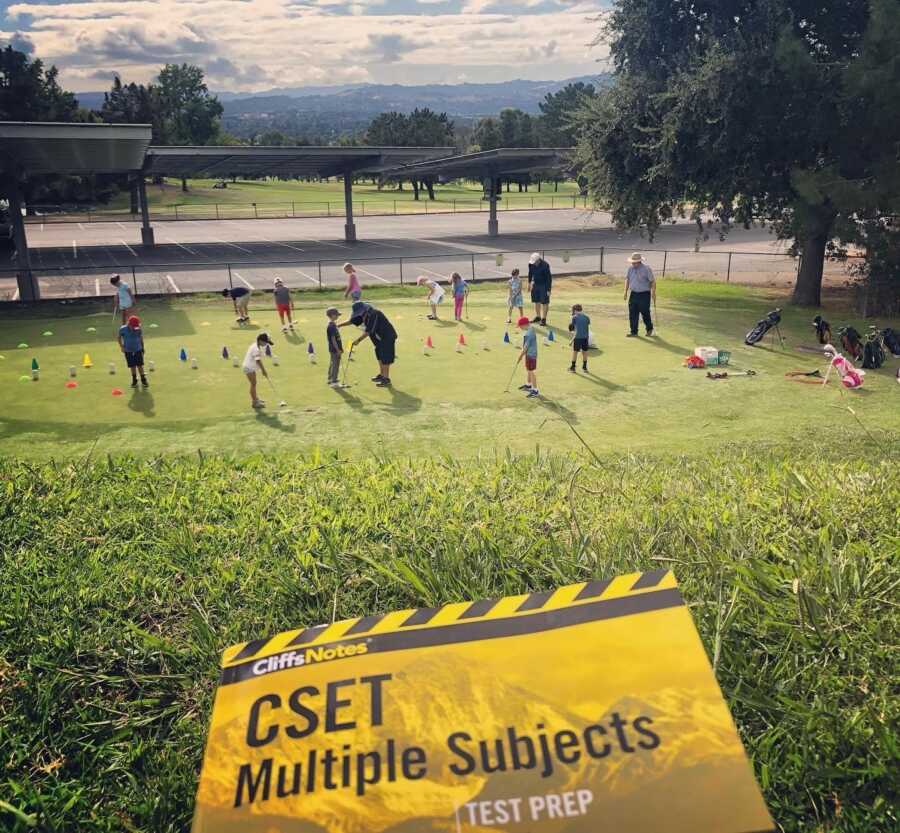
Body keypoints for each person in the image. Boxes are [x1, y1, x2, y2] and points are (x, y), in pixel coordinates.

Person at [343, 301, 397, 387]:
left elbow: (369, 331)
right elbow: (351, 321)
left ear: (364, 309)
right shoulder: (362, 314)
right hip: (378, 339)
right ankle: (381, 375)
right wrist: (338, 325)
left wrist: (358, 340)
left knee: (385, 358)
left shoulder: (374, 314)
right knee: (379, 355)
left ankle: (386, 379)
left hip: (387, 337)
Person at [624, 252, 655, 337]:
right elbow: (627, 280)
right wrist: (625, 292)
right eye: (632, 262)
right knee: (632, 313)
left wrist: (653, 292)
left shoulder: (646, 269)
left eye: (634, 262)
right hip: (633, 293)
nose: (632, 263)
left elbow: (652, 281)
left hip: (644, 294)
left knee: (645, 312)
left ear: (639, 262)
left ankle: (649, 328)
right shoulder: (630, 269)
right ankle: (634, 332)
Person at [241, 332, 274, 409]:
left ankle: (256, 399)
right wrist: (263, 371)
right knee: (253, 384)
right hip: (248, 367)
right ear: (260, 340)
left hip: (250, 367)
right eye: (265, 342)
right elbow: (258, 361)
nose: (266, 344)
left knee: (254, 383)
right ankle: (254, 402)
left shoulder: (255, 345)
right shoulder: (256, 349)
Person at [117, 314, 148, 388]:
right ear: (129, 324)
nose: (135, 328)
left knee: (140, 365)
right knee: (132, 366)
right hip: (128, 350)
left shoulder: (138, 329)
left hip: (138, 349)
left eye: (136, 326)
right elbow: (119, 337)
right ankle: (134, 380)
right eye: (133, 326)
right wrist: (121, 347)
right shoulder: (122, 329)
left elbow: (141, 338)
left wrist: (142, 347)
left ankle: (143, 379)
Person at [517, 315, 540, 398]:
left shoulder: (529, 334)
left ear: (524, 325)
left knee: (531, 371)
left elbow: (526, 347)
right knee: (528, 369)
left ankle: (535, 390)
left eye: (520, 326)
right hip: (529, 354)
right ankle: (528, 385)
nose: (520, 328)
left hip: (531, 354)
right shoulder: (530, 329)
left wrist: (520, 356)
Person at [527, 252, 552, 325]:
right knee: (536, 301)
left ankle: (543, 319)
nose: (533, 263)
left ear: (538, 260)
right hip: (535, 284)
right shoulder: (531, 264)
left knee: (545, 302)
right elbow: (530, 273)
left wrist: (548, 290)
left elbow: (549, 278)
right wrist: (529, 283)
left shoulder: (545, 265)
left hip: (544, 285)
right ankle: (538, 317)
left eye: (535, 262)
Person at [568, 304, 591, 373]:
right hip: (585, 338)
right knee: (585, 352)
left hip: (578, 338)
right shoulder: (587, 317)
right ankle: (584, 368)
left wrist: (571, 341)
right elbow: (586, 327)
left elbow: (575, 330)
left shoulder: (574, 317)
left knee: (575, 352)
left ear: (575, 310)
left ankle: (573, 367)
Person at [326, 307, 344, 387]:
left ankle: (330, 378)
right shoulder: (331, 326)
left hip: (334, 348)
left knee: (333, 363)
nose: (338, 316)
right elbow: (333, 339)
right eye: (337, 315)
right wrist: (338, 350)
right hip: (334, 349)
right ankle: (334, 381)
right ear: (332, 315)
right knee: (335, 364)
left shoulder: (333, 324)